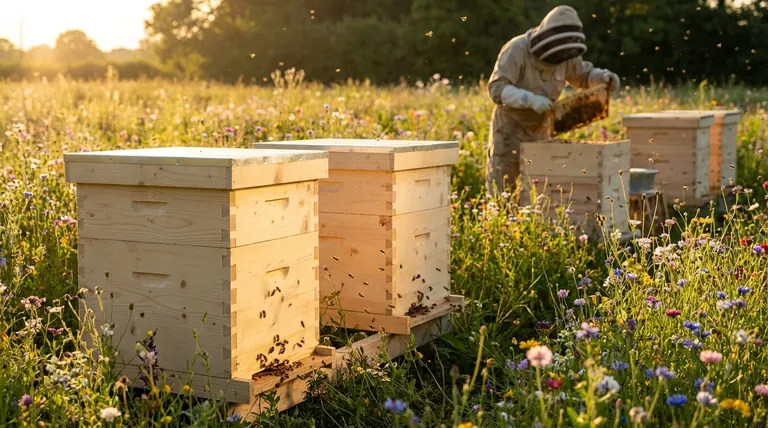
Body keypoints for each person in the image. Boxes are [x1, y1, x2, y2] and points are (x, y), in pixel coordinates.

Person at [485, 5, 620, 194]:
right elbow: (496, 88)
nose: (559, 60)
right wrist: (529, 99)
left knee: (537, 191)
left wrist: (603, 77)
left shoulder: (566, 54)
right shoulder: (517, 49)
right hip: (510, 130)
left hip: (541, 130)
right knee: (503, 188)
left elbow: (583, 77)